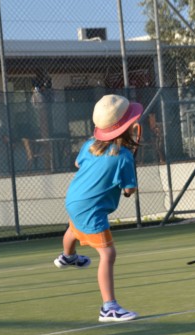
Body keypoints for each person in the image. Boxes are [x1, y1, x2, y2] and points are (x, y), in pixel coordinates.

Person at [54, 94, 143, 322]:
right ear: (126, 127)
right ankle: (109, 307)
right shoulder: (123, 157)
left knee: (74, 229)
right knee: (108, 253)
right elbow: (129, 190)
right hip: (92, 208)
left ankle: (68, 256)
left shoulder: (88, 146)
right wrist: (125, 172)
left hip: (74, 198)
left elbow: (78, 163)